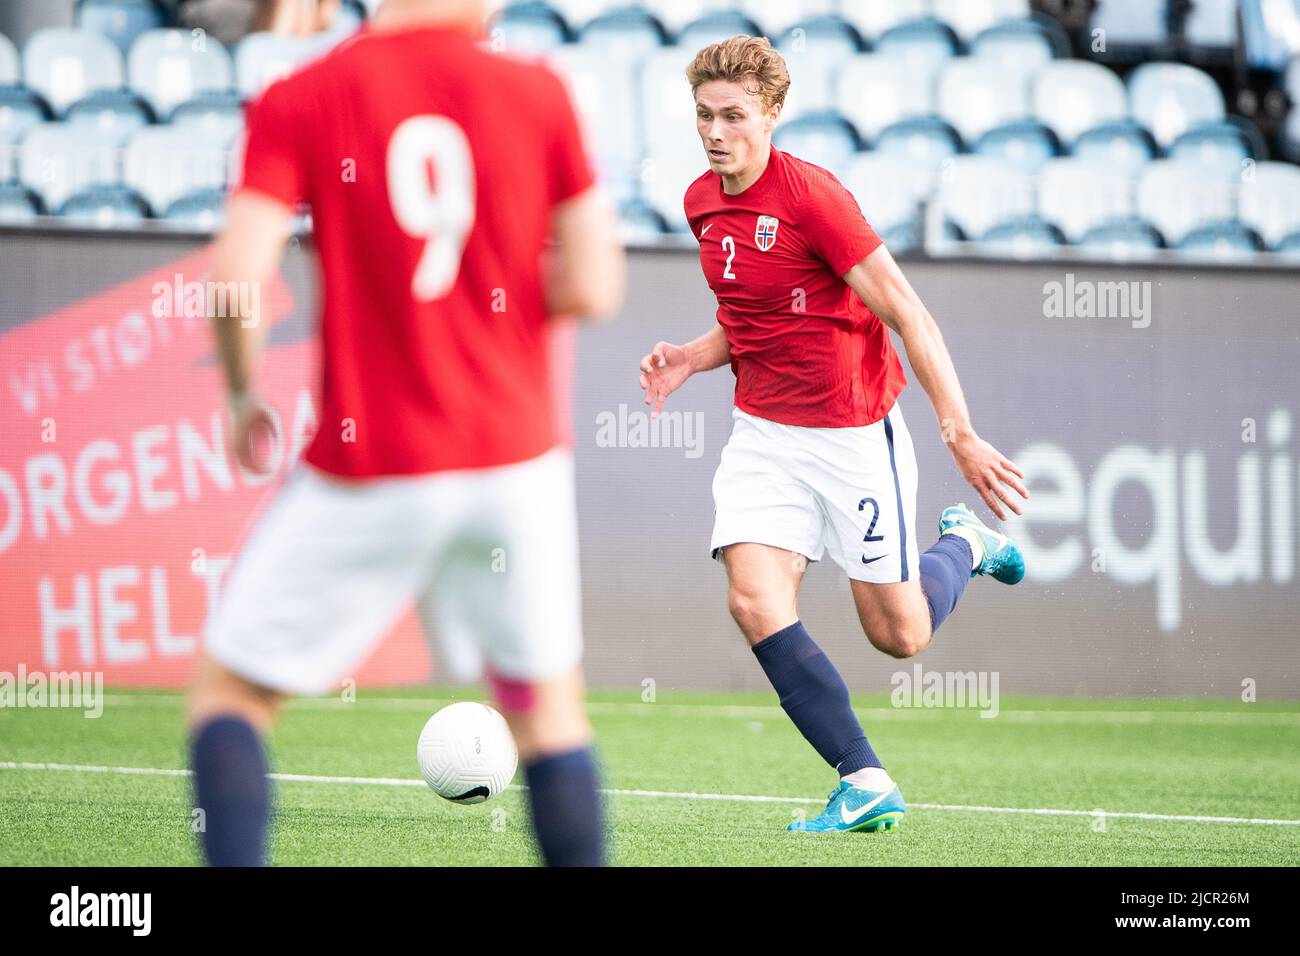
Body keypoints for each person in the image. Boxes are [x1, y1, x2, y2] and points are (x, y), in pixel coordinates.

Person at [187, 0, 624, 866]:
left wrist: (242, 396)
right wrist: (488, 307)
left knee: (231, 697)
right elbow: (597, 285)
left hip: (373, 460)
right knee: (546, 716)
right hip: (516, 458)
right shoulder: (540, 90)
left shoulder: (303, 93)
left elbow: (235, 279)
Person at [638, 35, 1028, 833]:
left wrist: (959, 433)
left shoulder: (815, 198)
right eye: (705, 116)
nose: (716, 132)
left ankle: (966, 546)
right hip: (762, 436)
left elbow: (906, 313)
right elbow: (753, 317)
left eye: (735, 116)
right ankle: (864, 777)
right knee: (753, 601)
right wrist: (693, 356)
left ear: (773, 114)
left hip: (853, 436)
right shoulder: (700, 202)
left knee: (899, 635)